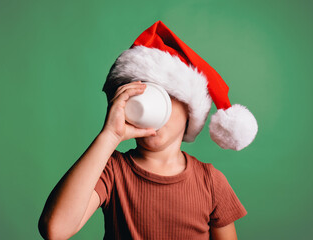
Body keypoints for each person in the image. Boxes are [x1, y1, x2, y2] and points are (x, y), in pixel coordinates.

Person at [38, 20, 258, 240]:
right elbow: (55, 230)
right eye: (142, 93)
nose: (149, 104)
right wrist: (109, 136)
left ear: (190, 109)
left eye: (166, 94)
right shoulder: (112, 170)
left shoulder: (211, 182)